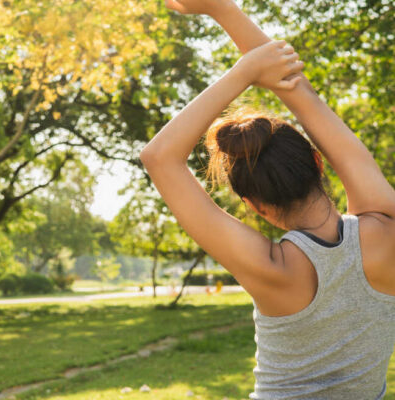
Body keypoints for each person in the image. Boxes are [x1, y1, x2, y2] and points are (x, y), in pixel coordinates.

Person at [139, 0, 395, 398]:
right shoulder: (385, 229)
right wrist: (223, 9)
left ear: (254, 204)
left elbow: (159, 157)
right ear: (317, 161)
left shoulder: (270, 268)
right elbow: (300, 93)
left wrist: (243, 71)